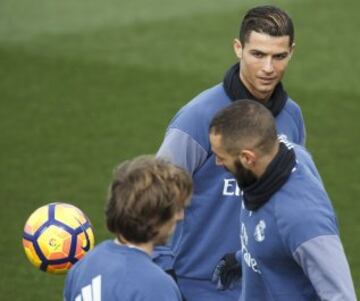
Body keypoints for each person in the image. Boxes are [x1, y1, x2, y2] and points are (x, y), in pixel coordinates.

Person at [155, 5, 305, 300]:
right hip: (198, 286)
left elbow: (290, 199)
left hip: (264, 285)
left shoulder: (292, 118)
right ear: (238, 48)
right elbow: (156, 195)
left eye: (279, 56)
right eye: (258, 54)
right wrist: (164, 272)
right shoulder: (197, 117)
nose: (268, 68)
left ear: (292, 52)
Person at [209, 99, 357, 300]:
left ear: (248, 159)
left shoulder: (302, 220)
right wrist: (241, 258)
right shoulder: (278, 161)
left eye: (221, 156)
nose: (217, 162)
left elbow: (341, 296)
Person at [64, 156, 193, 301]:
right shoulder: (155, 285)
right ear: (154, 217)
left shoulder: (84, 265)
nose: (180, 216)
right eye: (176, 209)